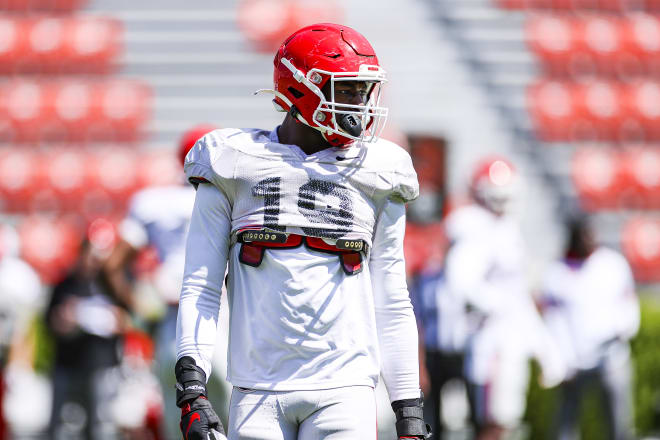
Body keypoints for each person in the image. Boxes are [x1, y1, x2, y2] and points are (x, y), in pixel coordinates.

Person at [174, 22, 431, 440]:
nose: (361, 106)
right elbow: (201, 286)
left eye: (364, 92)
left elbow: (392, 299)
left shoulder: (378, 168)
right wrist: (192, 387)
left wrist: (408, 409)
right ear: (299, 90)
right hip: (256, 388)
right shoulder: (233, 161)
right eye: (347, 90)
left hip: (345, 389)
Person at [103, 124, 231, 439]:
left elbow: (111, 266)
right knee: (234, 408)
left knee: (182, 410)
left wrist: (137, 310)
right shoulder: (234, 195)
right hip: (226, 313)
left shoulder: (154, 201)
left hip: (174, 317)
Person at [443, 156, 565, 440]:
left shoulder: (505, 230)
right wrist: (496, 304)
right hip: (489, 343)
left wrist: (544, 347)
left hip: (509, 339)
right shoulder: (475, 229)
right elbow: (460, 283)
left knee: (506, 421)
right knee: (492, 423)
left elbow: (519, 298)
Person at [540, 215, 640, 440]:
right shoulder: (557, 272)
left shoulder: (612, 264)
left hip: (611, 359)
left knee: (619, 422)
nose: (589, 240)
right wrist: (561, 358)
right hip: (574, 363)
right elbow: (551, 321)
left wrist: (621, 330)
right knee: (566, 422)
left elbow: (628, 306)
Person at [46, 222, 131, 440]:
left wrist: (112, 319)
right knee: (61, 428)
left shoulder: (114, 284)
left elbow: (131, 320)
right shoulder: (65, 284)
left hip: (102, 368)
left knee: (100, 427)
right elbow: (50, 323)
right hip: (68, 366)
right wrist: (65, 319)